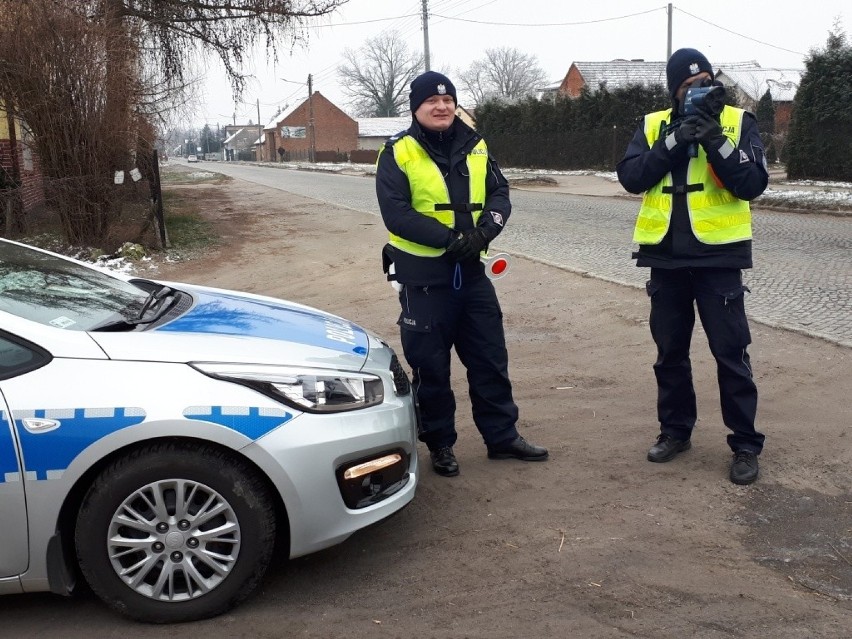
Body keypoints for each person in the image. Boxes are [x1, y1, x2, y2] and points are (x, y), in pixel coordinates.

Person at [375, 71, 548, 477]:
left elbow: (500, 194)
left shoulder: (477, 145)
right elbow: (396, 214)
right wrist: (451, 240)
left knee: (490, 359)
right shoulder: (397, 152)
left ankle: (502, 436)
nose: (442, 107)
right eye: (432, 102)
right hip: (424, 278)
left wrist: (486, 230)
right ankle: (441, 445)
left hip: (471, 275)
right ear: (416, 108)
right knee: (431, 369)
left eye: (448, 100)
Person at [616, 48, 769, 485]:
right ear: (673, 91)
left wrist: (714, 139)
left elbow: (752, 183)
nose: (699, 89)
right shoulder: (652, 125)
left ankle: (744, 443)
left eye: (705, 79)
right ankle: (675, 431)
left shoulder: (738, 122)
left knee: (731, 354)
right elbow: (631, 177)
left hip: (718, 259)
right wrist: (675, 139)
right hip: (665, 259)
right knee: (669, 355)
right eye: (688, 85)